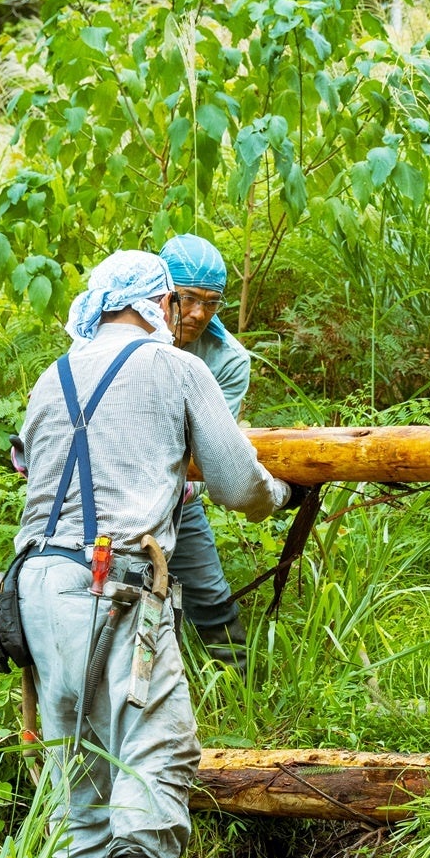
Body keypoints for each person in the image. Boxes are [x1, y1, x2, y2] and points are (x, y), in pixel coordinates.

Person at [13, 250, 296, 858]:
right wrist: (281, 492)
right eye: (176, 303)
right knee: (159, 752)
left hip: (35, 589)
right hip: (119, 587)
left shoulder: (52, 376)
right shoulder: (177, 368)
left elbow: (29, 467)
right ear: (157, 305)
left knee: (77, 771)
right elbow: (236, 484)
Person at [157, 234, 253, 669]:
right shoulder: (125, 335)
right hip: (112, 492)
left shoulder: (227, 359)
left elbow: (211, 447)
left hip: (182, 494)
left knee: (211, 597)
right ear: (164, 292)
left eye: (211, 303)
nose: (198, 313)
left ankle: (239, 691)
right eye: (189, 298)